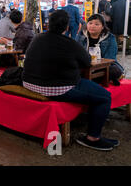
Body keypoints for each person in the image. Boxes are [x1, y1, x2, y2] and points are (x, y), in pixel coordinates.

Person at [23, 10, 118, 151]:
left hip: (29, 83)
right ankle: (93, 137)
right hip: (58, 88)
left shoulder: (37, 38)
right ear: (67, 27)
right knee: (104, 96)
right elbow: (87, 62)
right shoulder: (70, 43)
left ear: (48, 24)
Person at [76, 14, 124, 85]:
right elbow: (76, 53)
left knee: (115, 70)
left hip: (103, 66)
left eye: (96, 24)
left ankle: (88, 79)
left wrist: (95, 65)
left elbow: (110, 58)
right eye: (90, 23)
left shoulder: (110, 38)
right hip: (84, 65)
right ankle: (96, 79)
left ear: (102, 27)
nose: (92, 26)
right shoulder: (80, 36)